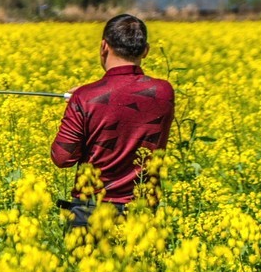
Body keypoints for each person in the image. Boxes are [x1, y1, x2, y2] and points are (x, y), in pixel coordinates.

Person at [51, 14, 175, 228]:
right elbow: (127, 96)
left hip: (90, 213)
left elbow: (62, 158)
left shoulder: (85, 97)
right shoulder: (164, 92)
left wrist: (82, 99)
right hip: (142, 213)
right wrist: (88, 96)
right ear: (146, 50)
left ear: (103, 47)